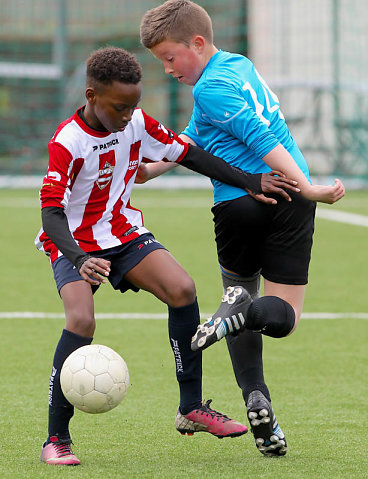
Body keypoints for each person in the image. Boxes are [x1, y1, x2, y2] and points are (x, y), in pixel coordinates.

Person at [34, 46, 302, 466]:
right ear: (91, 95)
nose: (128, 116)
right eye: (119, 107)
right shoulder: (67, 142)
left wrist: (250, 180)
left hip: (121, 230)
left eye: (134, 106)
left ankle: (190, 408)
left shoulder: (137, 121)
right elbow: (51, 213)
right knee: (81, 318)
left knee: (182, 288)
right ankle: (56, 437)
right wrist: (79, 257)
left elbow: (188, 153)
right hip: (72, 241)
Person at [140, 0, 345, 457]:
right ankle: (258, 397)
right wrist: (152, 168)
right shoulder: (239, 66)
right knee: (281, 317)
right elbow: (197, 136)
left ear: (197, 42)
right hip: (288, 201)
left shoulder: (209, 89)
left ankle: (257, 396)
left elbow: (258, 137)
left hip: (240, 203)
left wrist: (309, 188)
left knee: (243, 299)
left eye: (170, 57)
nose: (168, 69)